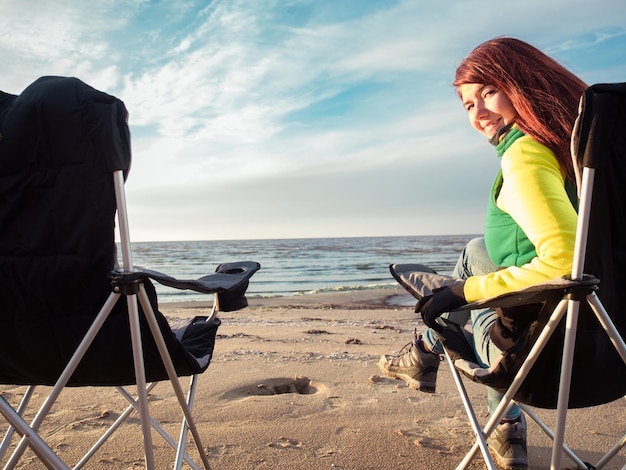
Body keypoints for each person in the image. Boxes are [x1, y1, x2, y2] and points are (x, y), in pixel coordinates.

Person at [378, 37, 587, 469]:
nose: (479, 114)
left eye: (488, 92)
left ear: (524, 83)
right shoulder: (583, 156)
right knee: (477, 250)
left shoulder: (527, 155)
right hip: (608, 347)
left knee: (472, 290)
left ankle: (429, 353)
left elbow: (565, 264)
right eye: (468, 105)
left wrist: (468, 292)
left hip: (544, 359)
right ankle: (423, 352)